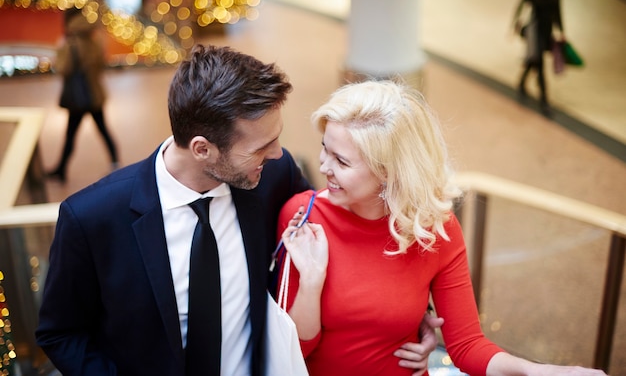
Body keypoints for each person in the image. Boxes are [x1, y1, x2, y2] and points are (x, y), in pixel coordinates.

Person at [36, 45, 438, 376]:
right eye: (260, 147)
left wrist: (411, 313)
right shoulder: (91, 218)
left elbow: (345, 233)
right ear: (202, 148)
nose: (278, 154)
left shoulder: (275, 176)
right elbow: (61, 334)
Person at [277, 80, 608, 376]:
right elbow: (291, 353)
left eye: (342, 161)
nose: (323, 166)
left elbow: (467, 346)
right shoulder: (302, 218)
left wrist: (540, 372)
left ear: (389, 172)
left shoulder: (433, 228)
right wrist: (312, 283)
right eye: (325, 148)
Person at [46, 9, 119, 183]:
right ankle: (115, 163)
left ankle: (61, 170)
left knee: (71, 134)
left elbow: (64, 69)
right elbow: (101, 64)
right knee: (103, 129)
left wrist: (59, 52)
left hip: (78, 98)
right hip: (95, 94)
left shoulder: (70, 43)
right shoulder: (93, 39)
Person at [512, 0, 565, 116]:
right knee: (540, 63)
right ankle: (544, 101)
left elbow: (557, 11)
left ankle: (521, 81)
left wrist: (562, 31)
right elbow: (521, 6)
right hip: (533, 32)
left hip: (546, 31)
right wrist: (515, 24)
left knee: (534, 59)